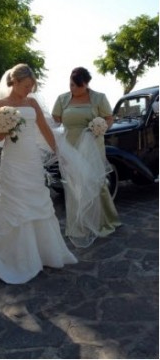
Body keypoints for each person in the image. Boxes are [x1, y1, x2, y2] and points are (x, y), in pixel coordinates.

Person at [0, 64, 77, 284]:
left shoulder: (32, 103)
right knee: (16, 204)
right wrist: (7, 127)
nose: (29, 90)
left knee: (38, 199)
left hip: (31, 159)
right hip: (12, 161)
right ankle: (19, 258)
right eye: (27, 86)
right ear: (15, 82)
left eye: (32, 86)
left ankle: (44, 253)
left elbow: (46, 130)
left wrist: (59, 152)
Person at [52, 67, 121, 247]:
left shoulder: (99, 97)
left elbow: (109, 118)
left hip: (92, 145)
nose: (72, 88)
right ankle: (79, 223)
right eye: (71, 85)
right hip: (70, 146)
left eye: (76, 86)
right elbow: (54, 119)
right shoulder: (62, 99)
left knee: (96, 181)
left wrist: (101, 127)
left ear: (86, 84)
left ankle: (104, 220)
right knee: (73, 183)